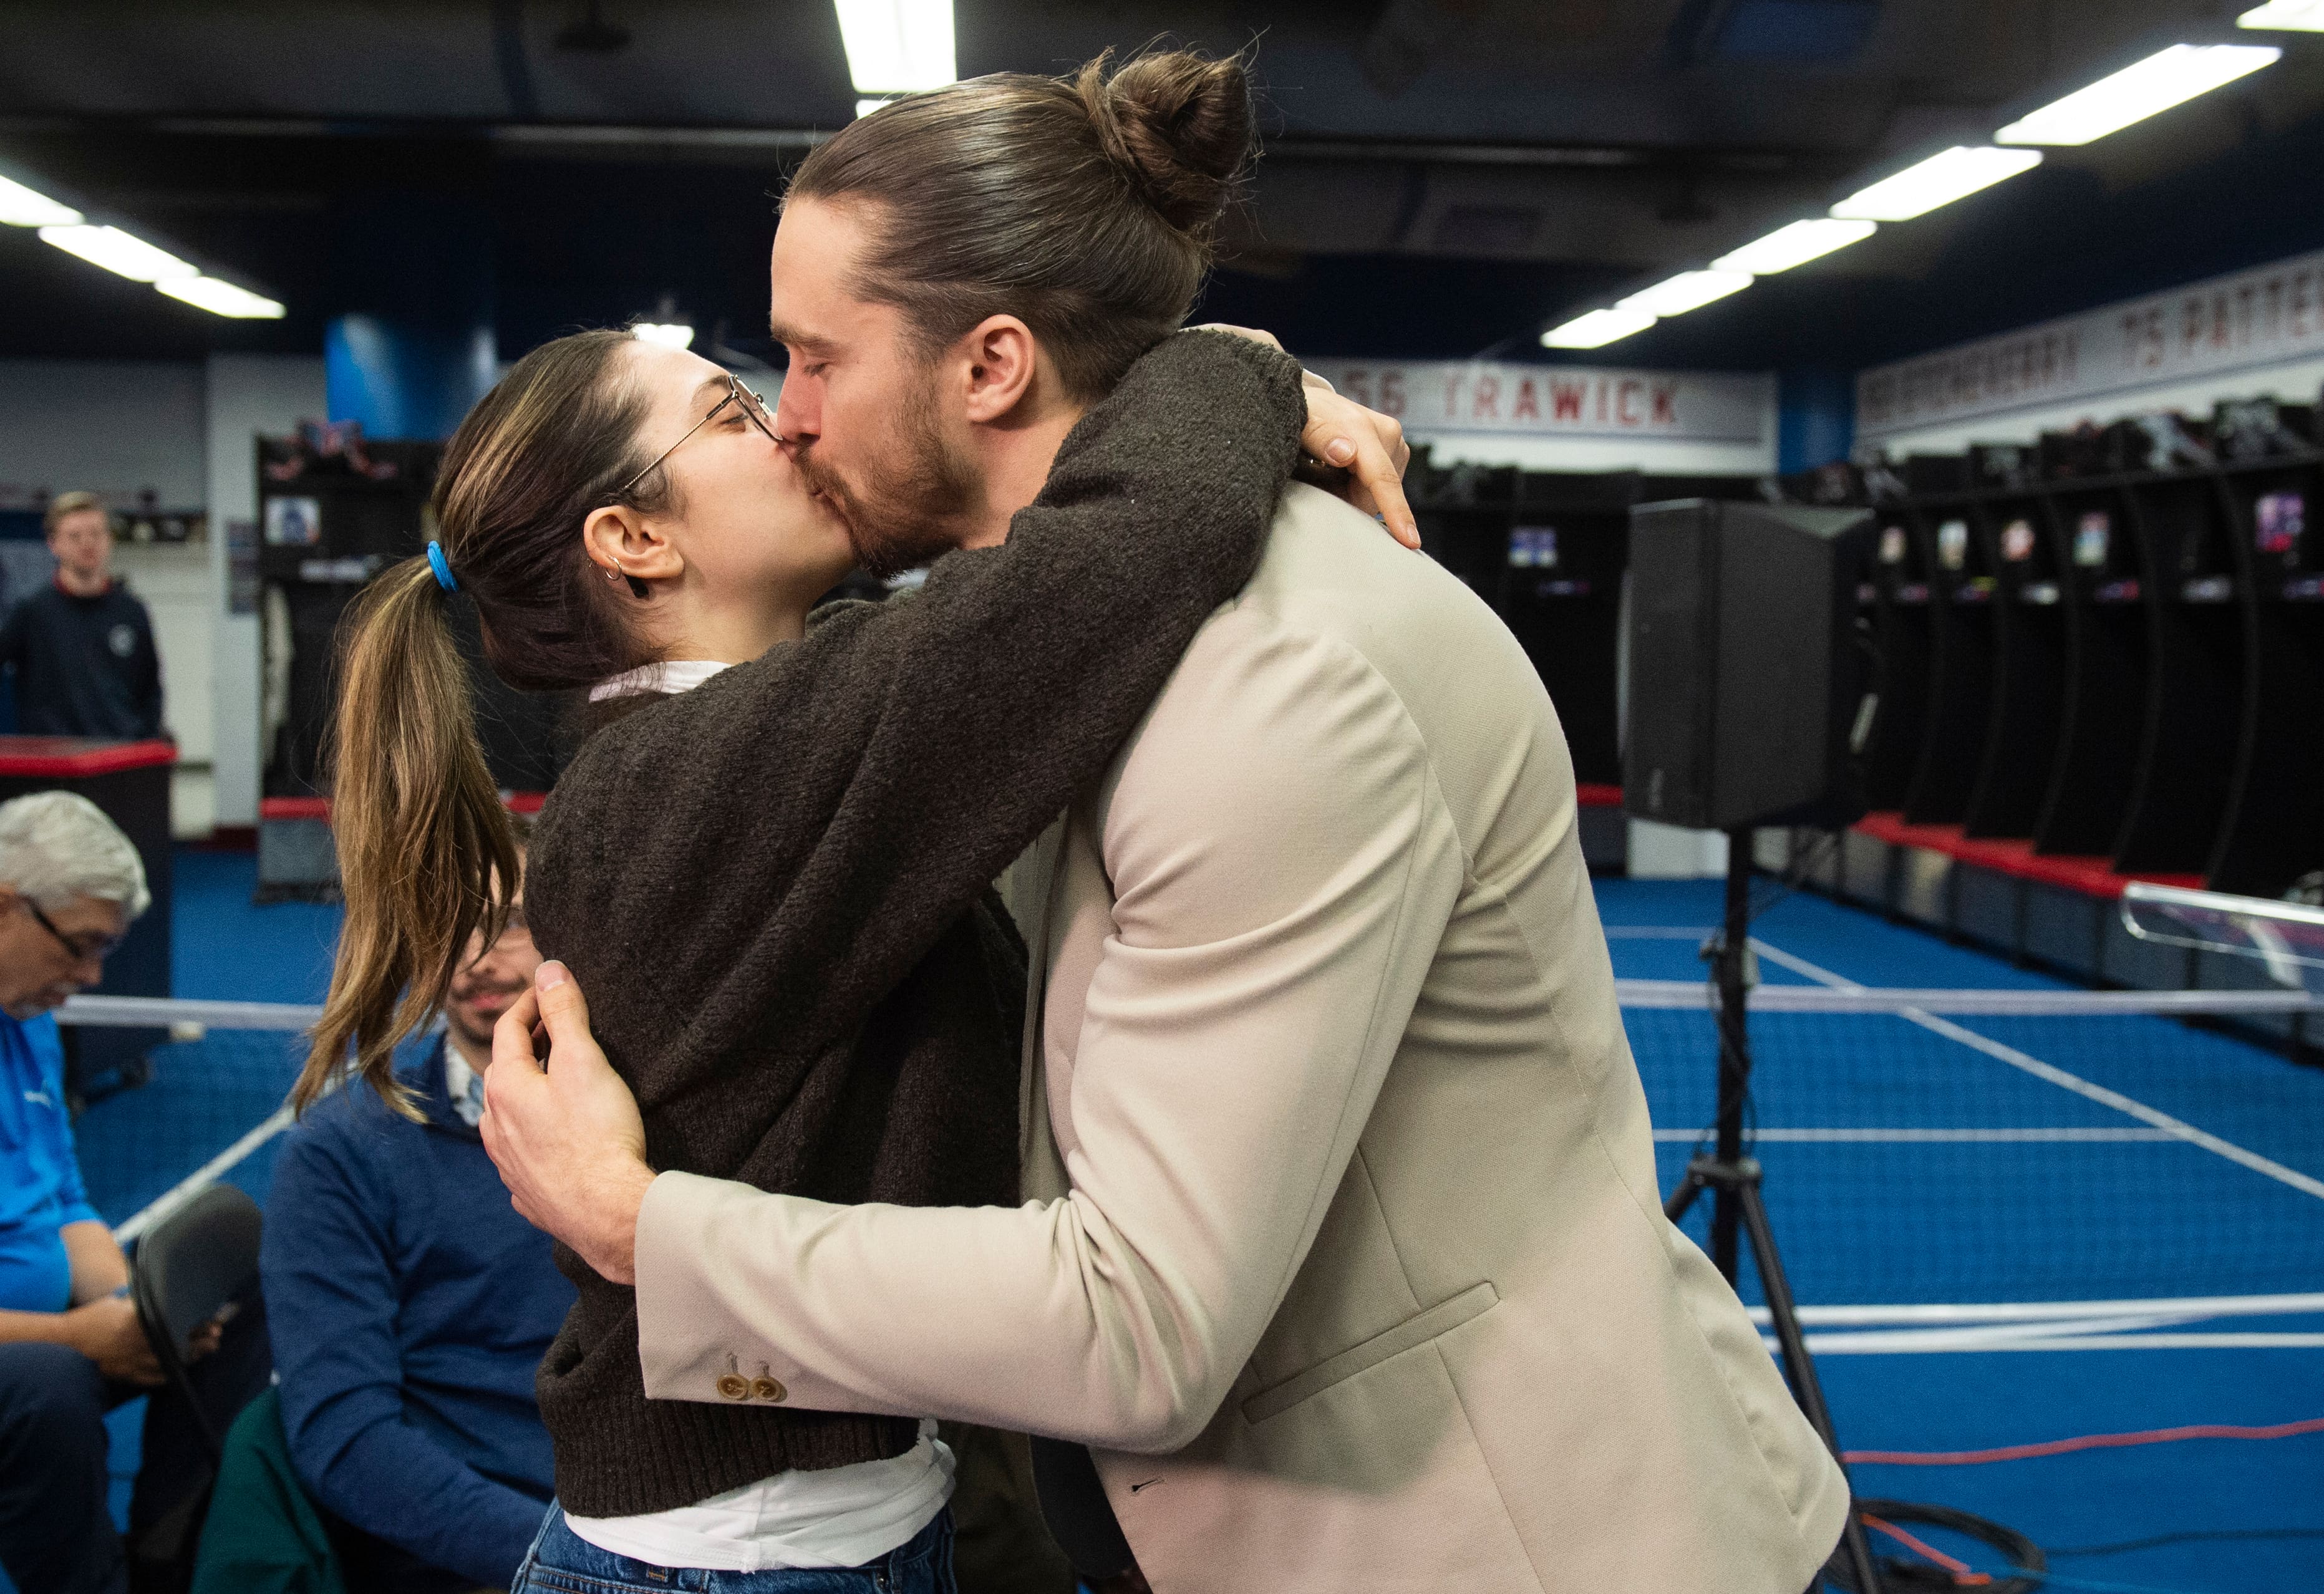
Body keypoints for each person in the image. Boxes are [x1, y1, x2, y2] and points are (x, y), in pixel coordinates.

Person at [480, 48, 1853, 1594]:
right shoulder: (1041, 636)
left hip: (1487, 1545)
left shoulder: (1264, 677)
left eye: (810, 362)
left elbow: (1133, 1322)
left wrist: (641, 1230)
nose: (793, 423)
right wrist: (1243, 375)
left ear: (989, 368)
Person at [288, 55, 1407, 1587]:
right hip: (746, 1560)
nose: (798, 425)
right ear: (634, 541)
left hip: (806, 1522)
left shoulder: (726, 738)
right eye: (736, 408)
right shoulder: (700, 775)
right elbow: (1117, 560)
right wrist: (1233, 360)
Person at [254, 813, 573, 1594]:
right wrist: (563, 1569)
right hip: (487, 1557)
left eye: (510, 925)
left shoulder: (662, 1123)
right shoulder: (340, 1155)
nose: (474, 959)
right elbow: (347, 1440)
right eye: (444, 925)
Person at [0, 791, 255, 1594]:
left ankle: (166, 1561)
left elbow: (65, 1200)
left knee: (232, 1299)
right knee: (48, 1389)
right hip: (33, 1366)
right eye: (79, 947)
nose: (90, 977)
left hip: (54, 1332)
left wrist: (131, 1311)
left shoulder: (31, 1017)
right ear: (5, 905)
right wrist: (79, 1337)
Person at [0, 493, 166, 741]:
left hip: (118, 758)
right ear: (53, 544)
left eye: (96, 534)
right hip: (53, 762)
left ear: (109, 540)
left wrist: (144, 739)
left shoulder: (132, 611)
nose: (87, 543)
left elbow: (150, 687)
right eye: (75, 536)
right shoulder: (33, 613)